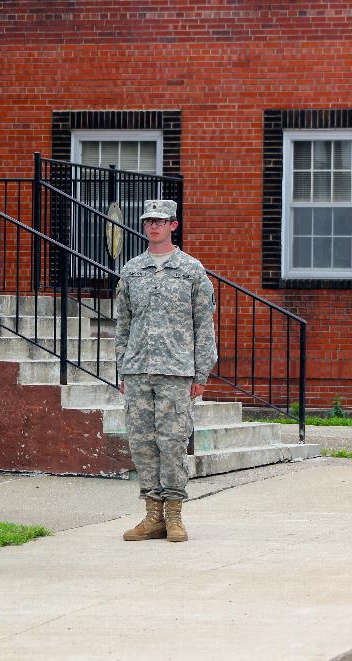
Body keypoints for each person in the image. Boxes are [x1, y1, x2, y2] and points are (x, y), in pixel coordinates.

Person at [114, 199, 217, 543]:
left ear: (174, 225)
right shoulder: (131, 271)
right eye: (148, 221)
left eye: (160, 221)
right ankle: (151, 515)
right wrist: (122, 369)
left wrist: (201, 374)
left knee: (172, 443)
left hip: (176, 371)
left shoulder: (191, 271)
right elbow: (123, 324)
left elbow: (204, 325)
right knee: (142, 443)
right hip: (138, 369)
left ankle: (174, 515)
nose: (153, 226)